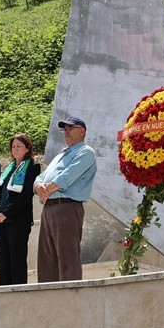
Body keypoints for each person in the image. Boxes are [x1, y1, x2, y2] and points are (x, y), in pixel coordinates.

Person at [34, 116, 98, 282]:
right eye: (65, 129)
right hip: (49, 207)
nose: (66, 132)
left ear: (82, 131)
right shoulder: (61, 154)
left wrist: (46, 189)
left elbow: (67, 177)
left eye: (71, 128)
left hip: (67, 208)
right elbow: (42, 176)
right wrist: (37, 186)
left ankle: (72, 299)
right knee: (46, 259)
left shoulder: (86, 152)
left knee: (67, 258)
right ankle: (50, 300)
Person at [0, 133, 42, 285]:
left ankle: (18, 298)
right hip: (0, 222)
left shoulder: (32, 167)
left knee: (17, 262)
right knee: (3, 262)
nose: (15, 149)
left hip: (17, 221)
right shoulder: (8, 169)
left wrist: (5, 213)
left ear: (28, 148)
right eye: (13, 146)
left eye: (19, 146)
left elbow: (25, 195)